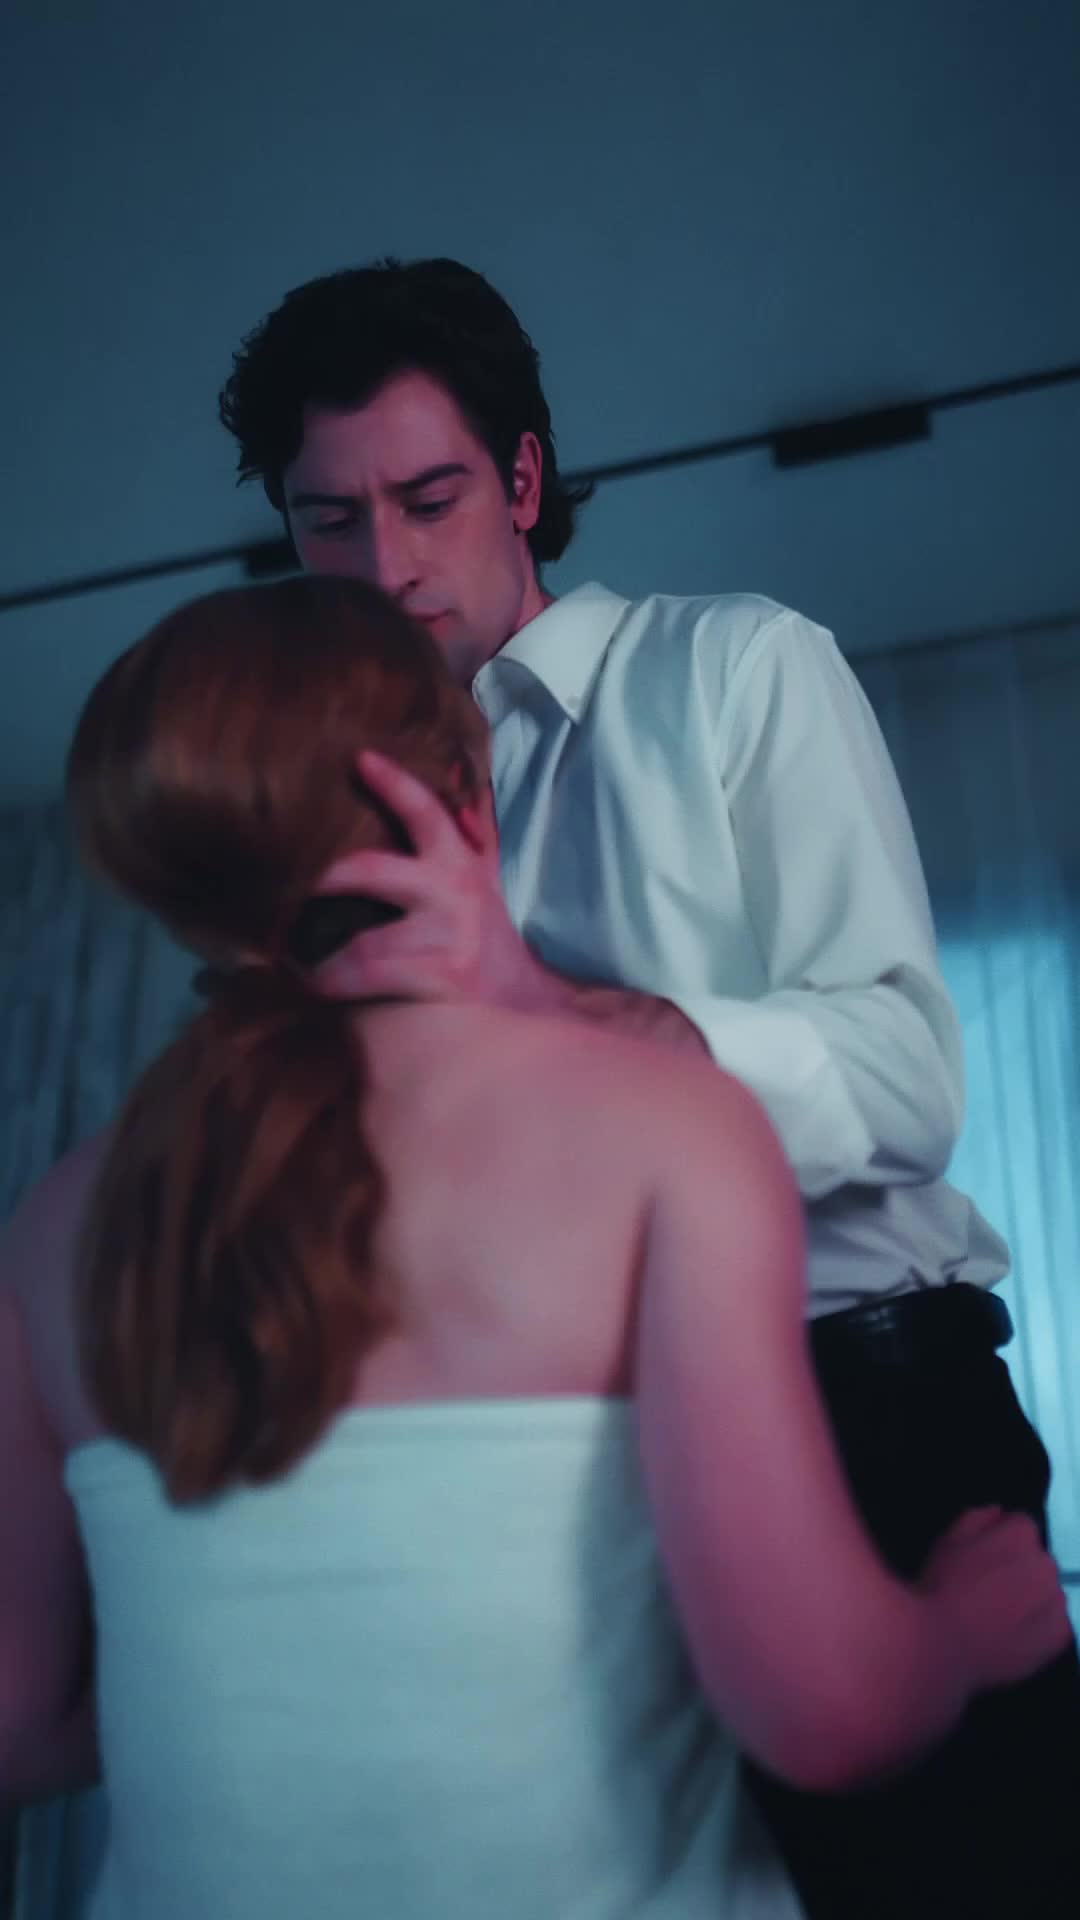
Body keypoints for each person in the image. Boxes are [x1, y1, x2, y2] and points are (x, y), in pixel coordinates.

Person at [208, 255, 1079, 1920]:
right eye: (329, 521)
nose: (383, 566)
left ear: (524, 479)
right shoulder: (318, 813)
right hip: (556, 1478)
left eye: (428, 499)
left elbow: (906, 1079)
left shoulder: (739, 669)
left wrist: (545, 1008)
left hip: (866, 1412)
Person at [0, 576, 1070, 1920]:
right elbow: (829, 1717)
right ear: (466, 805)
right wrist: (959, 1632)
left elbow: (18, 1726)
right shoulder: (664, 1133)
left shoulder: (52, 1225)